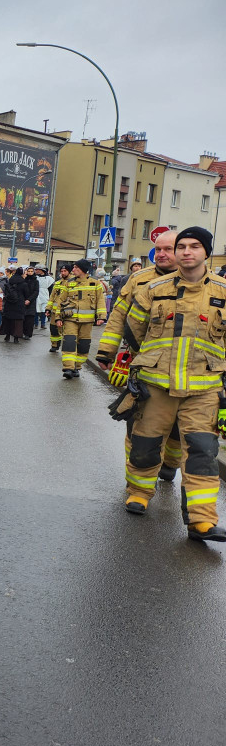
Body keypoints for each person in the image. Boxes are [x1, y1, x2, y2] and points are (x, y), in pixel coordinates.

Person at [99, 227, 226, 540]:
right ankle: (139, 494)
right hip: (155, 385)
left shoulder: (223, 291)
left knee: (202, 452)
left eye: (194, 246)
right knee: (144, 442)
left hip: (204, 389)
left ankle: (201, 521)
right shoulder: (153, 288)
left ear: (206, 252)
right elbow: (131, 330)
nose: (185, 252)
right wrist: (124, 362)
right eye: (181, 246)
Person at [96, 230, 181, 491]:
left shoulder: (200, 283)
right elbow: (119, 317)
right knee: (138, 425)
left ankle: (170, 463)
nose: (161, 254)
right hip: (143, 365)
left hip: (189, 370)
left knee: (178, 431)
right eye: (158, 248)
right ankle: (137, 484)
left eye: (169, 248)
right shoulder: (139, 279)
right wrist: (107, 352)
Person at [51, 259, 106, 378]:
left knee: (83, 345)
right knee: (69, 342)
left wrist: (101, 317)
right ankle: (68, 368)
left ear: (83, 269)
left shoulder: (95, 283)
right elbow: (60, 300)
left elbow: (101, 301)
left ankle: (77, 366)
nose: (73, 270)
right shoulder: (69, 283)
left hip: (87, 321)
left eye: (76, 267)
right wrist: (58, 318)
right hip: (70, 319)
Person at [45, 265, 71, 353]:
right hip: (55, 311)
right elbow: (52, 297)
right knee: (53, 329)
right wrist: (48, 308)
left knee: (66, 330)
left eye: (65, 271)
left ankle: (66, 346)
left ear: (69, 272)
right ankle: (54, 345)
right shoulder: (57, 283)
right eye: (62, 271)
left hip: (66, 311)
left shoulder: (73, 283)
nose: (63, 273)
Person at [0, 267, 26, 343]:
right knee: (18, 322)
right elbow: (26, 293)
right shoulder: (23, 283)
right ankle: (16, 338)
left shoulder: (10, 281)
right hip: (19, 304)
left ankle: (7, 336)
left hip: (9, 303)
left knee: (8, 320)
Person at [22, 266, 40, 339]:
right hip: (23, 300)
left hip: (31, 302)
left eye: (31, 271)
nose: (30, 273)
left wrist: (29, 300)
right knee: (23, 317)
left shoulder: (36, 281)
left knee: (30, 319)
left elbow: (36, 292)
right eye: (28, 271)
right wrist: (23, 299)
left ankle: (28, 334)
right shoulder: (24, 280)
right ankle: (22, 332)